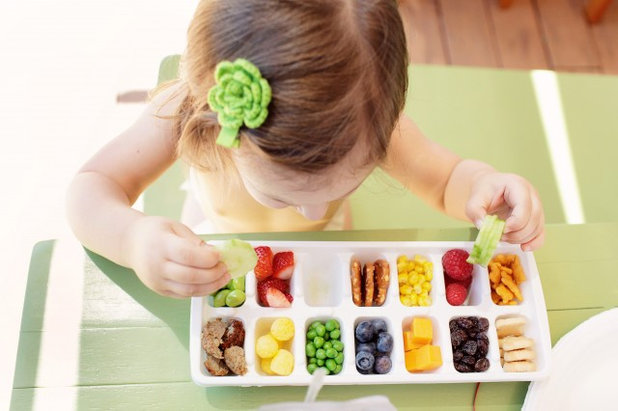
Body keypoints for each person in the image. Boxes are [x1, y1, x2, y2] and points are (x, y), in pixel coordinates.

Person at [66, 0, 544, 299]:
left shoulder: (368, 117)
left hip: (330, 245)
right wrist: (133, 240)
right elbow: (91, 190)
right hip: (215, 227)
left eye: (345, 184)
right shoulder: (186, 111)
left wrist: (483, 185)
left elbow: (444, 179)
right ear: (222, 121)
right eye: (283, 194)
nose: (315, 208)